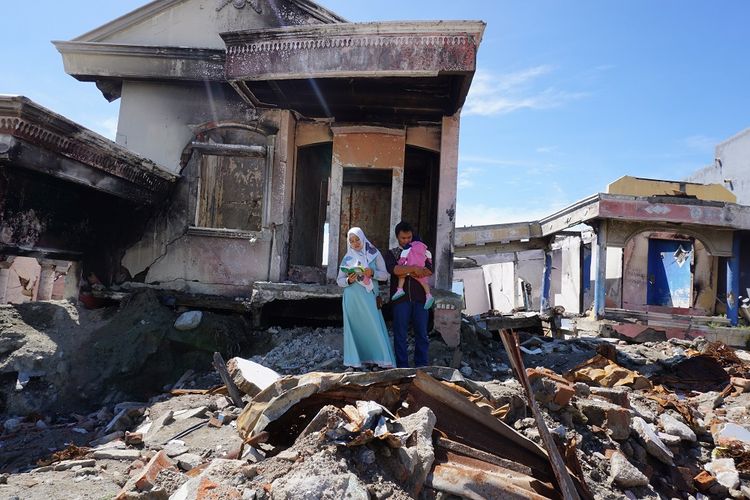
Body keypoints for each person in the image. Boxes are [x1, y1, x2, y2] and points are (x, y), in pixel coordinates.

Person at [337, 227, 395, 369]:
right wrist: (349, 280)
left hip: (369, 297)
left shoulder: (374, 254)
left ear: (363, 238)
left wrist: (372, 272)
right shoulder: (347, 258)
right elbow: (339, 280)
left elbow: (385, 275)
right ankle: (356, 362)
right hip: (352, 298)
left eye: (357, 240)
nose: (355, 243)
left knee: (374, 325)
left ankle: (382, 360)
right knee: (355, 328)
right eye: (351, 241)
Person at [384, 221, 433, 368]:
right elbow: (394, 270)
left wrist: (408, 270)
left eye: (409, 237)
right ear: (397, 237)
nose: (406, 240)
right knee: (400, 334)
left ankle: (422, 366)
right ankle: (402, 368)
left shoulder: (421, 250)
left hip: (421, 299)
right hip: (401, 300)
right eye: (403, 238)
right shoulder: (392, 253)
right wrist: (414, 268)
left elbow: (429, 270)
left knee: (422, 334)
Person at [392, 238, 434, 309]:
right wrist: (429, 262)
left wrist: (400, 263)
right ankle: (429, 295)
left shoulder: (409, 247)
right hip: (421, 268)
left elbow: (403, 256)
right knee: (424, 282)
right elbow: (429, 257)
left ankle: (400, 289)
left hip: (409, 267)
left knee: (401, 276)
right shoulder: (425, 249)